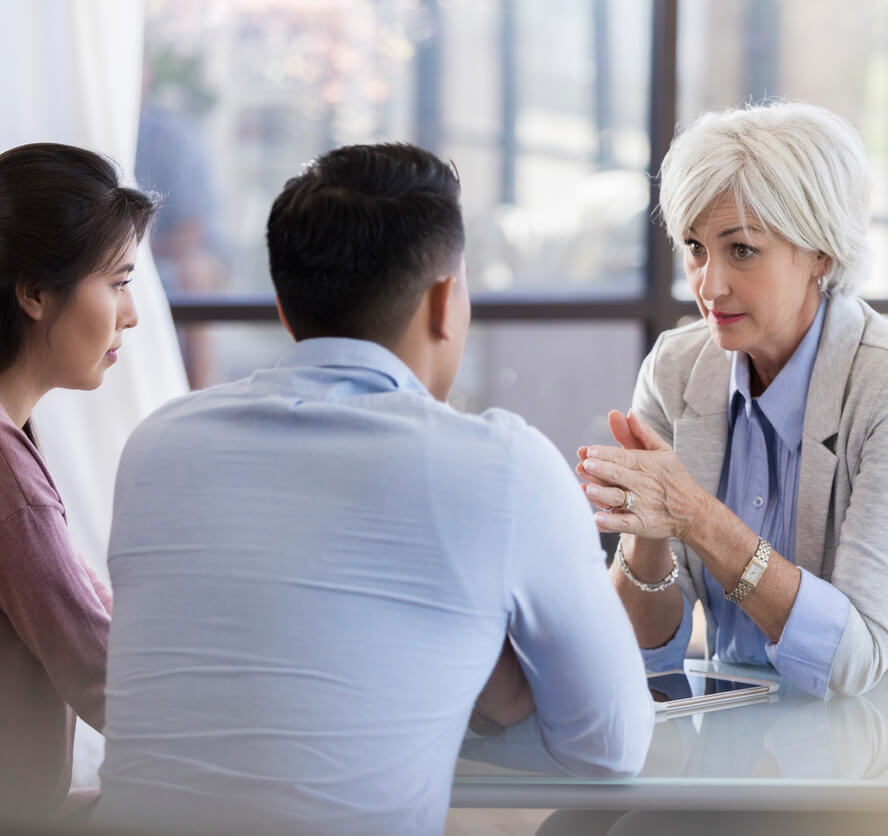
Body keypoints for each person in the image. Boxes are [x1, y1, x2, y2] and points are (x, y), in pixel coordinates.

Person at [96, 143, 654, 836]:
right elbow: (611, 748)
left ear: (283, 307)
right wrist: (466, 687)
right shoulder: (502, 467)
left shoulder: (157, 446)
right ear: (446, 301)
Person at [577, 101, 888, 699]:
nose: (708, 285)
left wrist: (695, 515)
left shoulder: (876, 386)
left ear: (820, 251)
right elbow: (641, 657)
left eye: (740, 249)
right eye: (695, 247)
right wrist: (647, 530)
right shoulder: (677, 367)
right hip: (725, 744)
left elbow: (855, 664)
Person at [0, 142, 156, 822]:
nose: (131, 314)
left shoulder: (17, 444)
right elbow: (106, 679)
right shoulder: (11, 486)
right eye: (118, 282)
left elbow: (89, 611)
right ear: (35, 292)